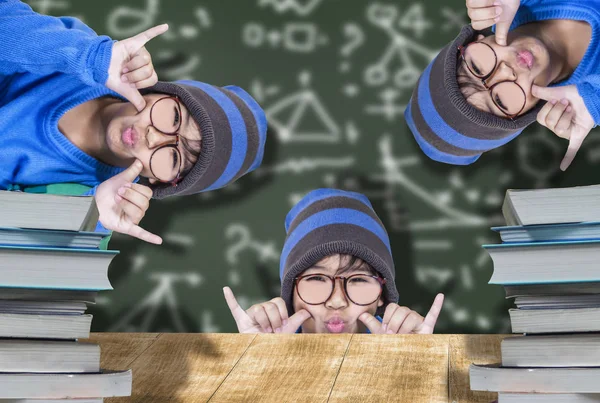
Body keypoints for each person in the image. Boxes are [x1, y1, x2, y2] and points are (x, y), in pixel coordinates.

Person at [0, 0, 267, 244]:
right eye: (173, 117)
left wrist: (83, 214)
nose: (153, 138)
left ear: (160, 182)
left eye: (172, 158)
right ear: (161, 91)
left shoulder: (102, 207)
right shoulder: (88, 57)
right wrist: (91, 57)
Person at [406, 0, 599, 171]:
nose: (505, 71)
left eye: (476, 66)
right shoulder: (592, 94)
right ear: (526, 113)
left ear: (474, 40)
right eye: (501, 100)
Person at [223, 188, 444, 334]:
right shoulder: (263, 352)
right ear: (290, 291)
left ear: (382, 296)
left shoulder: (405, 349)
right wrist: (255, 361)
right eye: (317, 278)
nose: (337, 301)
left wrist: (416, 362)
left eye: (357, 280)